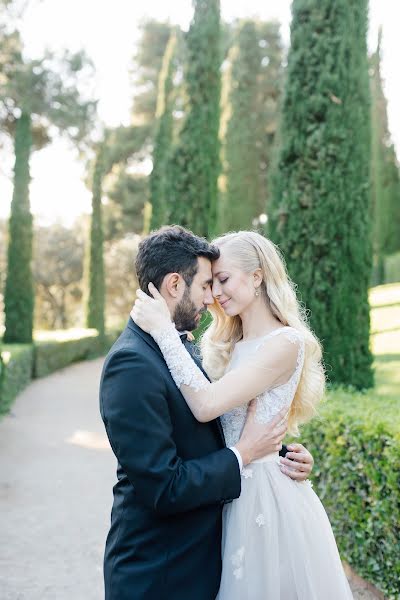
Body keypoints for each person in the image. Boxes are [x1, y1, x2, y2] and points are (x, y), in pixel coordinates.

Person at [131, 229, 353, 600]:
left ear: (257, 275)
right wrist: (284, 449)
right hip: (229, 490)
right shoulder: (228, 344)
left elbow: (206, 406)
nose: (215, 293)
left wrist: (162, 331)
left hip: (264, 499)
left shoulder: (286, 343)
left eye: (223, 279)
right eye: (211, 283)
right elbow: (241, 426)